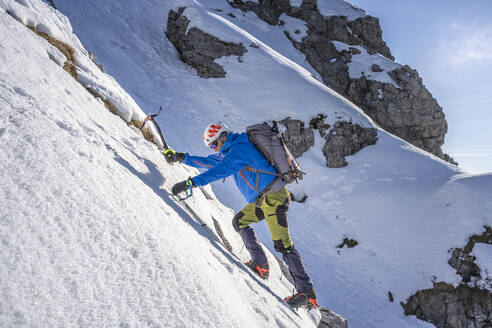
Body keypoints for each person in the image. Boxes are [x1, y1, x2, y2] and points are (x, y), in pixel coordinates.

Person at [165, 122, 317, 309]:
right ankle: (260, 265)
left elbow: (218, 171)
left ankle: (307, 293)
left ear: (222, 136)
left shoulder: (239, 150)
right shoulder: (231, 151)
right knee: (240, 221)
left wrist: (190, 183)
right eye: (212, 146)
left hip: (273, 198)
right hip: (263, 199)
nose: (214, 148)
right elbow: (210, 161)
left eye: (214, 144)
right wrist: (182, 158)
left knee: (283, 245)